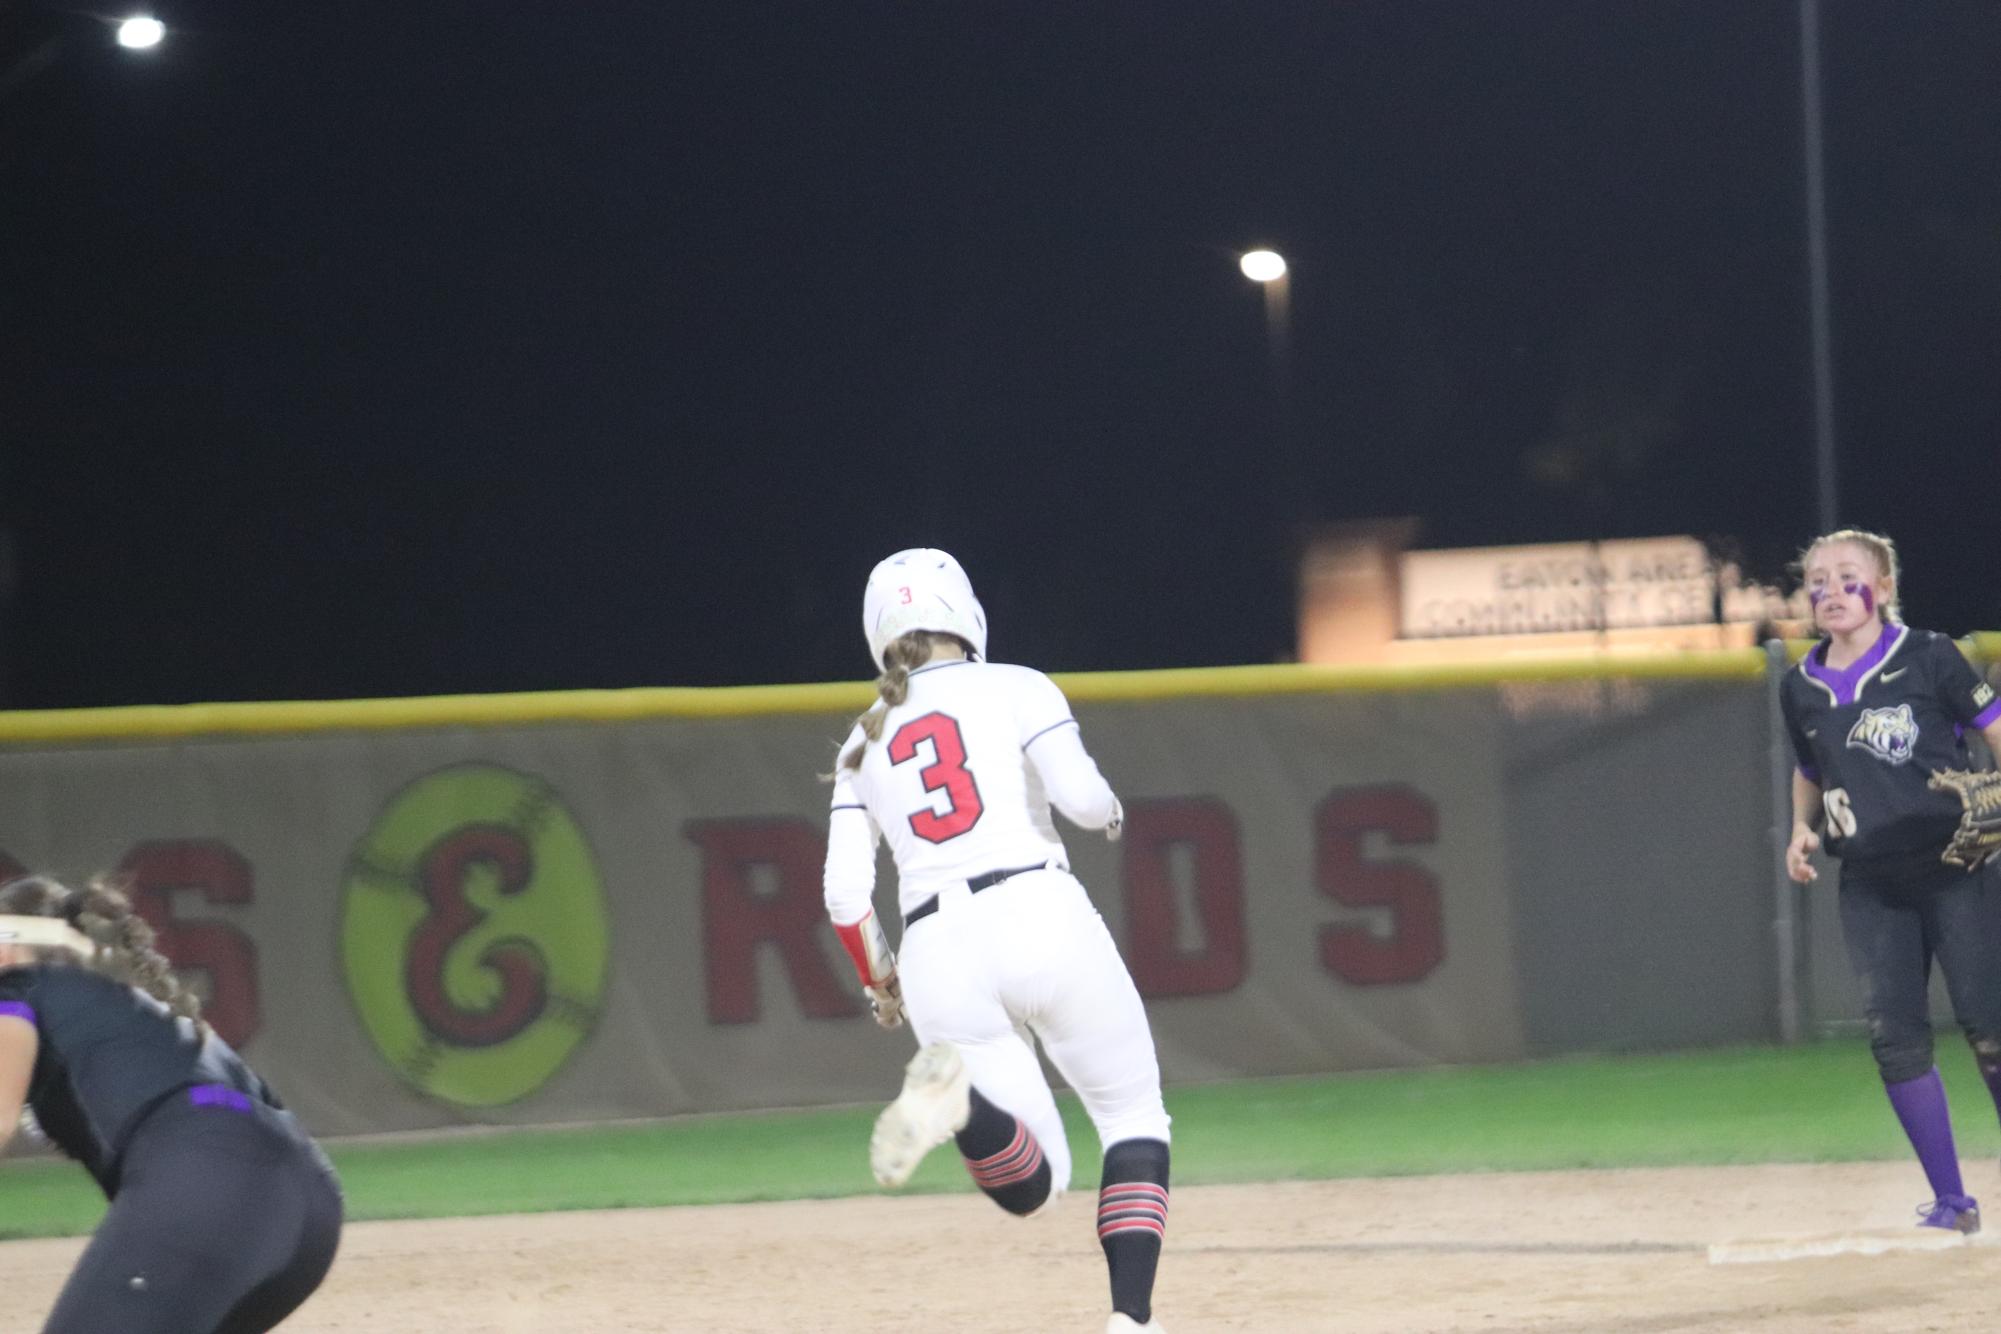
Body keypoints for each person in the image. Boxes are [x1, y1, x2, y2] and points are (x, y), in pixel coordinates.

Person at [823, 548, 1173, 1334]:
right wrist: (1112, 814)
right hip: (1037, 906)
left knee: (1034, 1185)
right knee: (1132, 1119)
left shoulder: (862, 736)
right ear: (964, 613)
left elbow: (845, 897)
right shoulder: (1018, 685)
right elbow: (1082, 801)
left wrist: (883, 983)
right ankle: (1131, 1322)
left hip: (935, 946)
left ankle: (960, 1107)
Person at [0, 875, 343, 1332]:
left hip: (212, 1180)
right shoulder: (116, 1009)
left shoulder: (18, 988)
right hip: (309, 1206)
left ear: (7, 948)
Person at [1781, 529, 2001, 1233]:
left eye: (1847, 576)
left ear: (1881, 588)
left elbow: (1993, 724)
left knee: (1990, 1030)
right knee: (1895, 1040)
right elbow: (1810, 770)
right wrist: (1800, 828)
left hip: (1954, 866)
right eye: (1816, 579)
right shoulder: (1800, 685)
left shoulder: (1930, 656)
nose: (1829, 590)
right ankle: (1951, 1203)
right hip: (1870, 883)